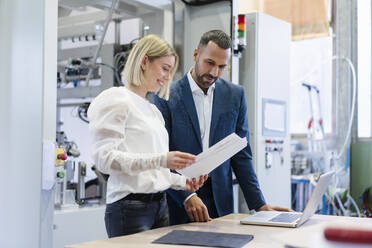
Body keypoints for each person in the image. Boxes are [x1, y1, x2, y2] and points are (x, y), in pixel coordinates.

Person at [153, 30, 292, 225]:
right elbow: (161, 155)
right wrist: (186, 196)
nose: (214, 73)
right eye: (209, 63)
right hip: (178, 202)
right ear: (196, 55)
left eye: (221, 67)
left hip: (221, 203)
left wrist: (260, 205)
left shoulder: (235, 95)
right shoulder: (165, 95)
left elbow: (242, 156)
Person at [88, 34, 208, 237]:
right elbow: (104, 160)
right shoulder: (117, 99)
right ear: (144, 61)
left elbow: (153, 172)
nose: (167, 77)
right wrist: (163, 159)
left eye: (170, 71)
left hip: (160, 205)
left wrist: (183, 183)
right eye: (165, 68)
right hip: (129, 208)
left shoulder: (153, 111)